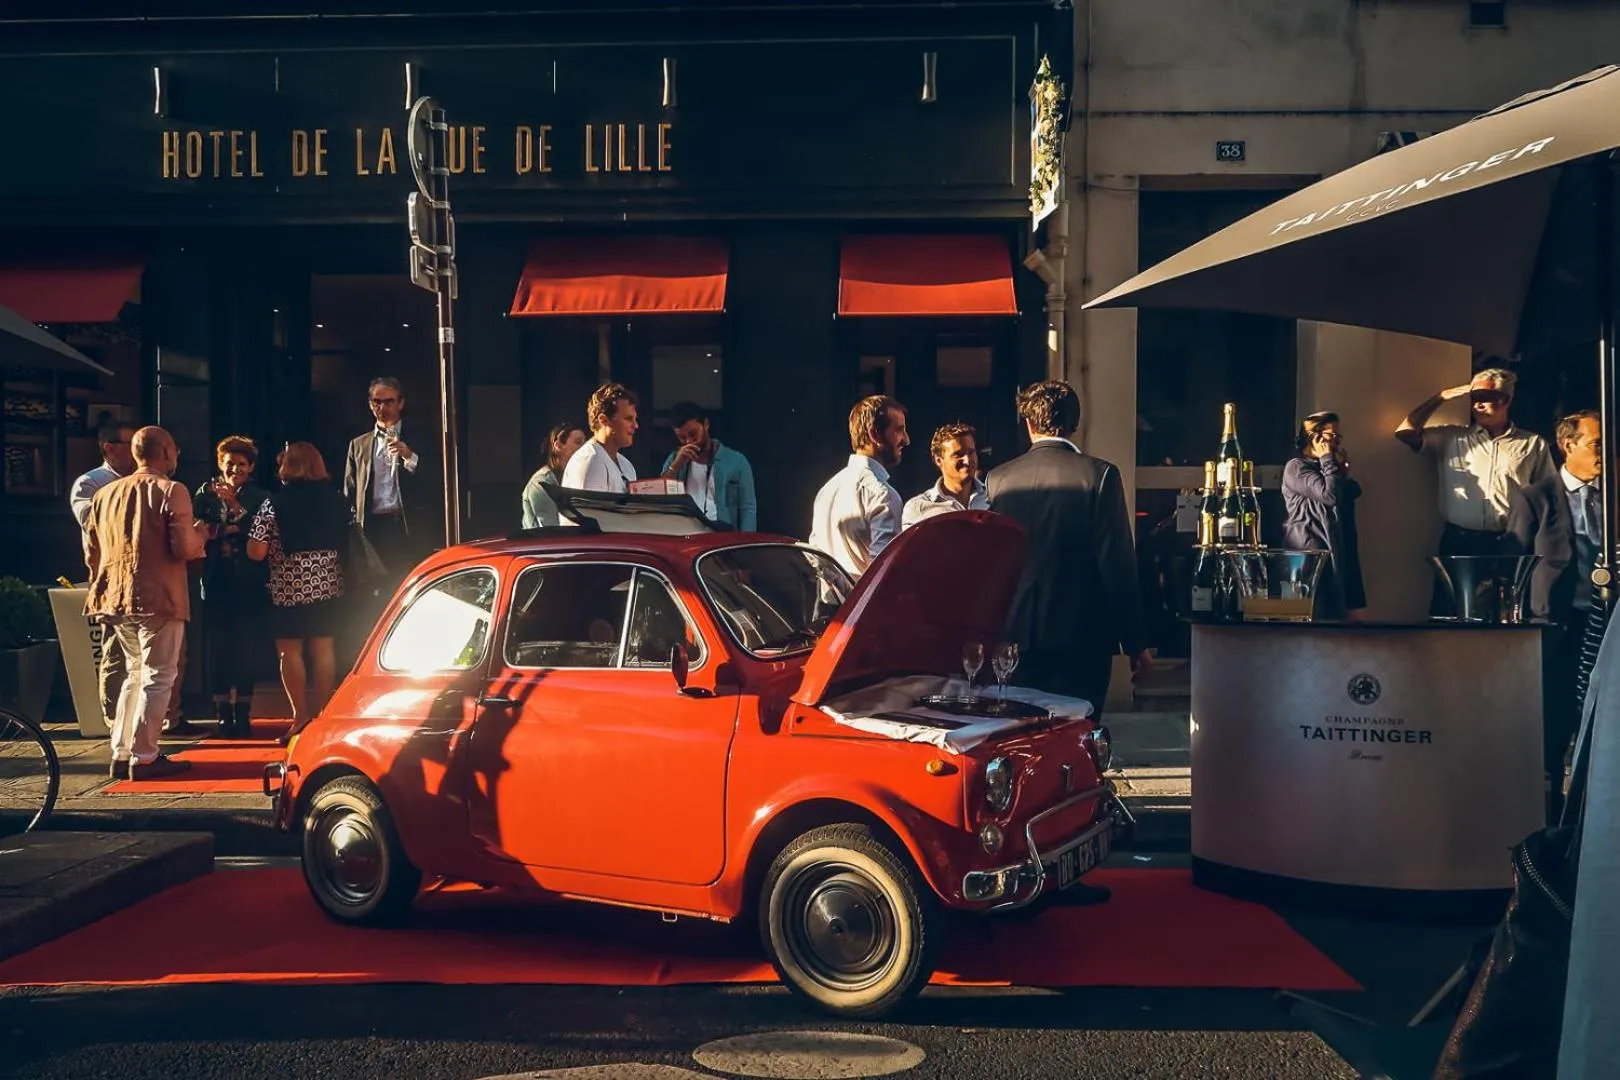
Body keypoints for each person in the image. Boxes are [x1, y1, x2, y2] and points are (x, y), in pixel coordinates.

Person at [987, 380, 1151, 718]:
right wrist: (1135, 643)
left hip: (1016, 633)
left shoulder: (998, 479)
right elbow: (1117, 563)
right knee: (1078, 732)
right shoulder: (1099, 476)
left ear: (1029, 423)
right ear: (1075, 423)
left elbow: (992, 563)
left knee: (1021, 734)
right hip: (1081, 637)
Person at [83, 425, 207, 780]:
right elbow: (184, 547)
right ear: (165, 452)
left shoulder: (104, 494)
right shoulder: (172, 490)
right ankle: (146, 755)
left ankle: (122, 752)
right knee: (159, 674)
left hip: (116, 594)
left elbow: (91, 552)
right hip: (160, 595)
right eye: (175, 450)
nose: (177, 455)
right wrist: (201, 534)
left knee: (134, 673)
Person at [1505, 409, 1599, 822]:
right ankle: (1551, 813)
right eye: (1596, 444)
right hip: (1557, 625)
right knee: (1557, 716)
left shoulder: (1611, 496)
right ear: (1568, 445)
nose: (1604, 453)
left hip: (1604, 622)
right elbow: (1515, 567)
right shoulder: (1535, 498)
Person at [248, 442, 351, 743]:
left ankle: (300, 717)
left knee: (289, 651)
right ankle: (323, 715)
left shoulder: (274, 503)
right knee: (324, 648)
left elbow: (256, 551)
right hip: (328, 585)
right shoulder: (337, 501)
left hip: (289, 587)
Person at [1396, 367, 1556, 555]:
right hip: (1461, 541)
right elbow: (1405, 433)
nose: (1477, 405)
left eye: (1485, 398)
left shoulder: (1532, 443)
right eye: (1474, 398)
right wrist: (1439, 398)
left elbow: (1547, 492)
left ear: (1505, 400)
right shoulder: (1452, 437)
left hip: (1512, 540)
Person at [193, 435, 272, 739]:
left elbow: (262, 530)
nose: (235, 469)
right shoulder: (205, 493)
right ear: (220, 464)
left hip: (250, 580)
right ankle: (222, 711)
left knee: (247, 646)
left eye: (241, 464)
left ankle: (244, 711)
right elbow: (197, 528)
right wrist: (228, 528)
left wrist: (235, 507)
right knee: (219, 647)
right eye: (229, 463)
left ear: (251, 467)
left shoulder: (261, 496)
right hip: (217, 579)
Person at [69, 419, 137, 743]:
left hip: (143, 577)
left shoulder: (143, 479)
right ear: (109, 447)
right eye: (129, 444)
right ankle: (114, 723)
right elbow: (91, 522)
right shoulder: (90, 483)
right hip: (112, 577)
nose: (135, 451)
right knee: (116, 653)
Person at [343, 376, 435, 586]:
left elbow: (436, 479)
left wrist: (410, 457)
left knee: (410, 584)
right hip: (372, 527)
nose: (382, 407)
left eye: (389, 402)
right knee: (376, 587)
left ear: (400, 403)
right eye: (377, 402)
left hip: (407, 525)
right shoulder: (358, 444)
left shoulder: (421, 437)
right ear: (370, 404)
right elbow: (350, 490)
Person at [809, 395, 909, 577]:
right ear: (874, 435)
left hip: (828, 595)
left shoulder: (827, 490)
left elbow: (814, 560)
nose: (906, 440)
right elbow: (882, 576)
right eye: (899, 430)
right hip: (865, 596)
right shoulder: (882, 494)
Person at [1281, 412, 1367, 620]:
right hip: (1311, 553)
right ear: (1315, 437)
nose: (1337, 442)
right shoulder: (1296, 467)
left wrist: (1341, 471)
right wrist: (1328, 460)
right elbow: (1329, 496)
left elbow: (1353, 491)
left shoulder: (1329, 470)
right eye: (1332, 436)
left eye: (1338, 436)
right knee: (1316, 615)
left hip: (1337, 551)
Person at [660, 400, 758, 530]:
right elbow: (659, 496)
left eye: (693, 434)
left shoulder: (737, 461)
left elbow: (748, 509)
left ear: (706, 424)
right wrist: (676, 465)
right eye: (682, 438)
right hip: (685, 533)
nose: (689, 442)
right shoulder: (674, 459)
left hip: (722, 535)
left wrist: (746, 541)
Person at [902, 420, 988, 529]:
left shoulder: (993, 499)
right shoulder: (918, 508)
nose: (967, 460)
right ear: (938, 461)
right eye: (958, 455)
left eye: (971, 452)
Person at [562, 382, 640, 493]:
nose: (635, 425)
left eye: (635, 419)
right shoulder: (591, 462)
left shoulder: (627, 466)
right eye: (628, 419)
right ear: (604, 420)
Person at [521, 423, 587, 528]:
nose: (584, 448)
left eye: (585, 444)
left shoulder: (576, 477)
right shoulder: (541, 482)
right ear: (558, 446)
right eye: (578, 442)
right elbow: (551, 527)